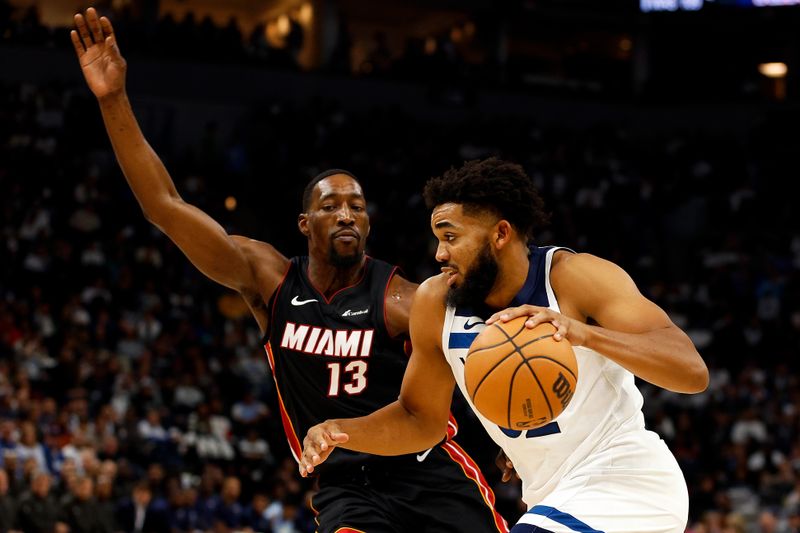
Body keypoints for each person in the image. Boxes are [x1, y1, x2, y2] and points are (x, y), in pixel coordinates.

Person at [70, 9, 507, 533]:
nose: (346, 213)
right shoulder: (269, 279)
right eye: (331, 205)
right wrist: (113, 98)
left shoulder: (401, 299)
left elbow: (477, 362)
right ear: (305, 222)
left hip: (430, 478)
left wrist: (512, 435)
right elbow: (164, 205)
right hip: (346, 489)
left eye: (357, 205)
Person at [300, 158, 710, 533]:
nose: (440, 253)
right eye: (437, 239)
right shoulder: (435, 302)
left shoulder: (575, 277)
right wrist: (341, 431)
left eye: (450, 237)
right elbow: (419, 420)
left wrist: (582, 333)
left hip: (627, 481)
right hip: (551, 496)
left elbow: (691, 372)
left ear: (500, 233)